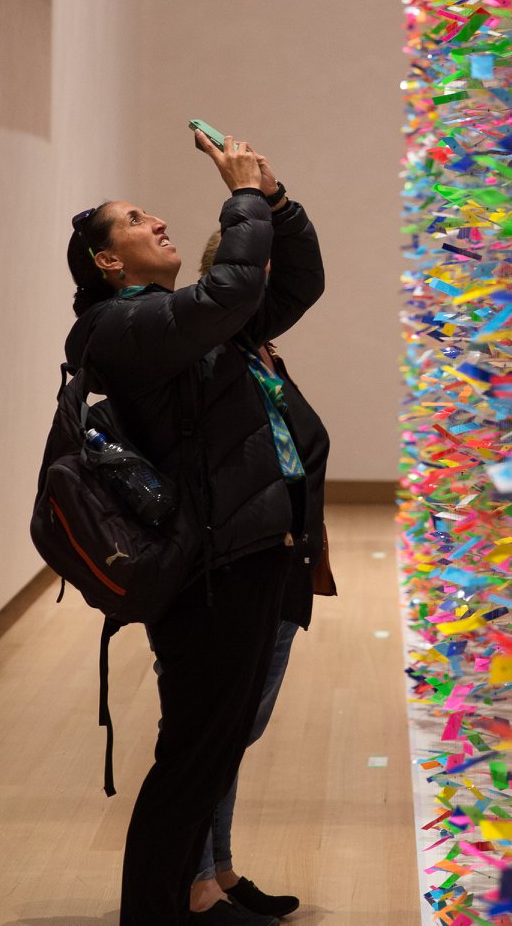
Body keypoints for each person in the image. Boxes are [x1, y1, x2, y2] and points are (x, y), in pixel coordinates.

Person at [63, 131, 331, 926]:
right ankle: (164, 907)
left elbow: (293, 285)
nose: (158, 222)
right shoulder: (120, 327)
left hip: (247, 559)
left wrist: (276, 203)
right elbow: (229, 294)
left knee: (211, 750)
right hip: (205, 573)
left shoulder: (184, 322)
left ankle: (197, 890)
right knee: (189, 762)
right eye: (137, 219)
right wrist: (242, 200)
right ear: (109, 262)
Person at [168, 232, 335, 918]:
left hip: (280, 565)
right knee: (215, 732)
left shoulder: (260, 354)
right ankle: (198, 883)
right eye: (259, 273)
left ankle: (222, 869)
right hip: (230, 569)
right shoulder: (201, 350)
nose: (272, 287)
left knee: (237, 732)